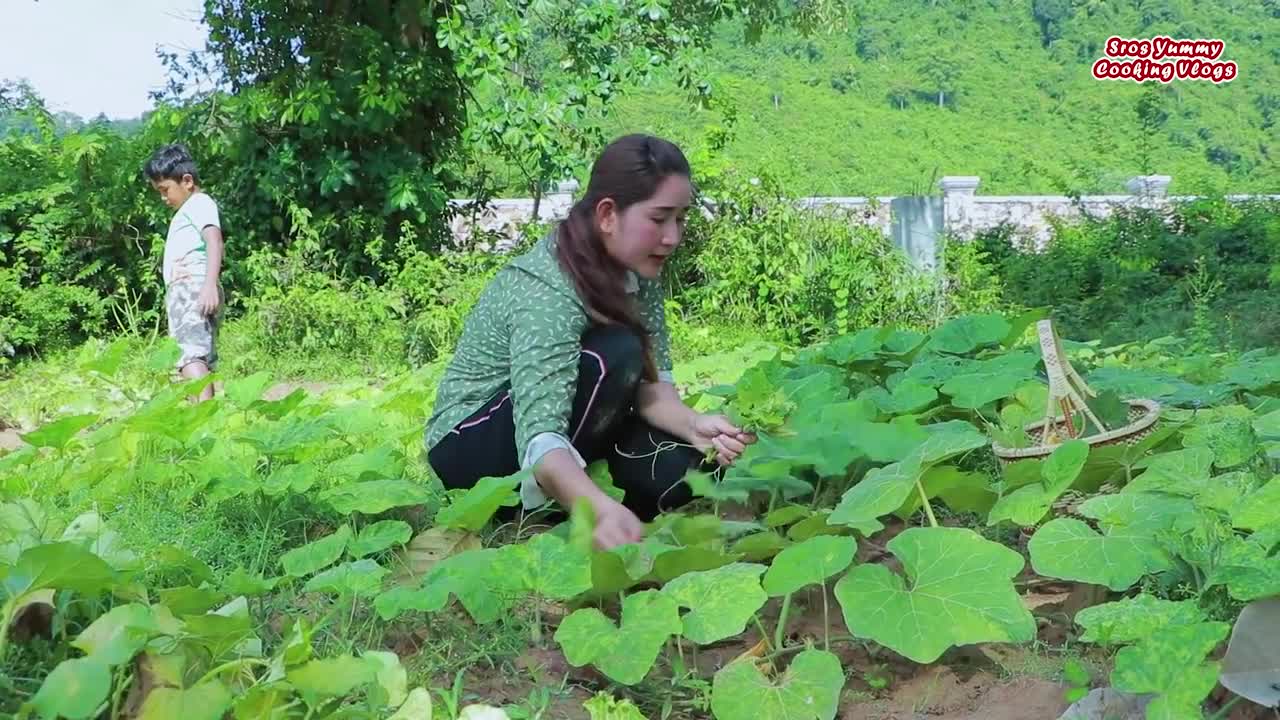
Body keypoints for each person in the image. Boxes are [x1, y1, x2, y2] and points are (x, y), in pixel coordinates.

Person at [424, 134, 756, 550]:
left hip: (576, 425)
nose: (672, 237)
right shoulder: (547, 288)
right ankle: (540, 513)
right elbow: (540, 436)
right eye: (659, 219)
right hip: (474, 443)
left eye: (681, 219)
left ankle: (577, 496)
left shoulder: (639, 270)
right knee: (615, 351)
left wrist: (694, 425)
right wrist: (598, 509)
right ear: (607, 215)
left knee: (691, 469)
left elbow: (654, 390)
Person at [144, 144, 225, 402]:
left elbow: (214, 239)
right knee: (198, 356)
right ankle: (205, 415)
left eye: (165, 189)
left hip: (191, 287)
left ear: (187, 181)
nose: (163, 198)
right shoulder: (189, 210)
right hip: (193, 288)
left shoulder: (199, 203)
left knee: (189, 355)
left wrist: (209, 285)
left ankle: (201, 419)